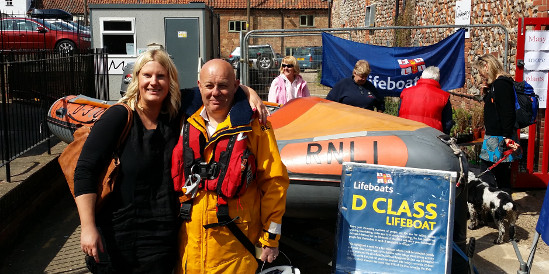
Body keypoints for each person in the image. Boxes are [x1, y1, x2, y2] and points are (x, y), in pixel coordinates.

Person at [74, 50, 267, 273]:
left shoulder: (175, 114)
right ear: (137, 78)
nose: (153, 82)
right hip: (120, 234)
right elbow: (85, 171)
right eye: (147, 75)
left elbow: (214, 87)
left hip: (163, 236)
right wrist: (87, 227)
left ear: (170, 81)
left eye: (161, 76)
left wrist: (247, 91)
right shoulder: (119, 117)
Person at [172, 59, 289, 273]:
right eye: (209, 86)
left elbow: (275, 182)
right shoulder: (185, 121)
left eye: (223, 86)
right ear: (199, 86)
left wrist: (271, 239)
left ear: (235, 86)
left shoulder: (255, 126)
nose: (215, 92)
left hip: (234, 248)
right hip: (190, 248)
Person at [473, 54, 521, 193]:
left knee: (489, 172)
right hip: (496, 135)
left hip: (498, 137)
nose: (481, 75)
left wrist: (506, 137)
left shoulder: (502, 84)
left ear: (487, 66)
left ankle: (496, 203)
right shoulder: (496, 84)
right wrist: (487, 90)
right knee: (500, 173)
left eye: (481, 71)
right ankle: (504, 205)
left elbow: (507, 112)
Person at [398, 66, 455, 134]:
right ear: (437, 80)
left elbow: (399, 114)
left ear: (421, 77)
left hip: (406, 134)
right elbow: (447, 123)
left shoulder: (405, 92)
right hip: (432, 137)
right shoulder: (443, 97)